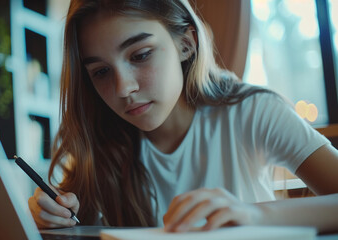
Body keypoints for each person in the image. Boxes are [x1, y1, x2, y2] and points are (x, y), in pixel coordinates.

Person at [28, 0, 338, 233]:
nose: (123, 89)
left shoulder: (253, 111)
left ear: (185, 45)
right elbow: (63, 210)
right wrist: (46, 216)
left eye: (140, 55)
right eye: (101, 72)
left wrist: (254, 216)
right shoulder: (97, 141)